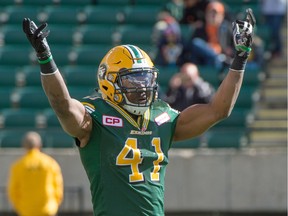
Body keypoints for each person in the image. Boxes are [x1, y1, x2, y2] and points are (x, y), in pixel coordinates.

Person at [21, 8, 255, 215]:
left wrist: (240, 57)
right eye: (133, 81)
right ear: (108, 83)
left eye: (145, 79)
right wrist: (46, 59)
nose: (142, 87)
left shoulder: (162, 116)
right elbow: (62, 105)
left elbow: (218, 110)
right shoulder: (96, 116)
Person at [7, 131, 63, 216]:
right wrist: (55, 204)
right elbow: (58, 187)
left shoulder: (18, 166)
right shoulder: (50, 163)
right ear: (39, 145)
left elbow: (13, 191)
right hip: (48, 210)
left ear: (24, 146)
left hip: (26, 211)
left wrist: (20, 207)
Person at [178, 1, 234, 70]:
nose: (213, 16)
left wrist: (228, 51)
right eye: (210, 13)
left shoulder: (227, 29)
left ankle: (218, 58)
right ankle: (217, 57)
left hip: (221, 64)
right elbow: (190, 47)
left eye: (215, 13)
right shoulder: (200, 29)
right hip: (204, 62)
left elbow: (234, 49)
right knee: (196, 42)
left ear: (222, 16)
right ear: (206, 15)